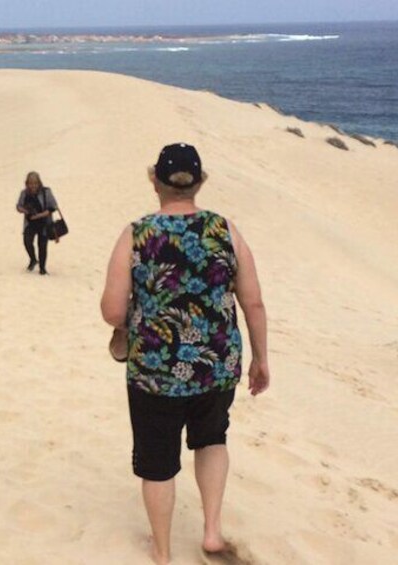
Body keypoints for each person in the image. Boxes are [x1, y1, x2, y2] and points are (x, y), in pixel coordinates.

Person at [100, 143, 269, 564]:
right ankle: (212, 532)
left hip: (155, 372)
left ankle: (162, 552)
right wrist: (261, 359)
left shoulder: (137, 234)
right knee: (212, 440)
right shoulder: (225, 230)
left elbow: (112, 310)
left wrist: (131, 322)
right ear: (200, 182)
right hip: (216, 366)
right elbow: (253, 303)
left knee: (158, 460)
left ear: (153, 181)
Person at [15, 171, 59, 275]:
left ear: (39, 183)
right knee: (27, 241)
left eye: (35, 183)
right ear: (27, 183)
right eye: (30, 183)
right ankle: (33, 260)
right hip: (30, 223)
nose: (33, 186)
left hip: (44, 223)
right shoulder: (24, 193)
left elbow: (53, 207)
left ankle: (43, 268)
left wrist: (39, 215)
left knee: (42, 246)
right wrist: (24, 211)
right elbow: (18, 206)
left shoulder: (46, 192)